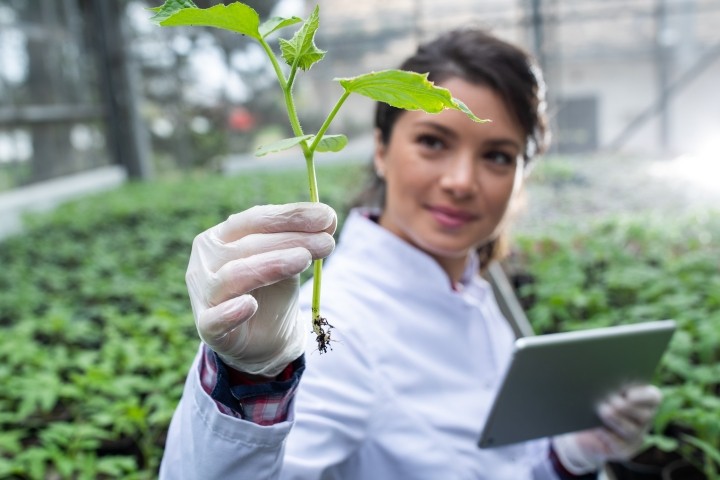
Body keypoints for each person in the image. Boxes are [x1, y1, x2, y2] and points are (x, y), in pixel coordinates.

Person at [160, 29, 662, 479]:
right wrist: (249, 382)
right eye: (432, 141)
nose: (461, 182)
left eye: (497, 156)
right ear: (380, 149)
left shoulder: (468, 284)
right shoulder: (337, 326)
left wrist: (569, 457)